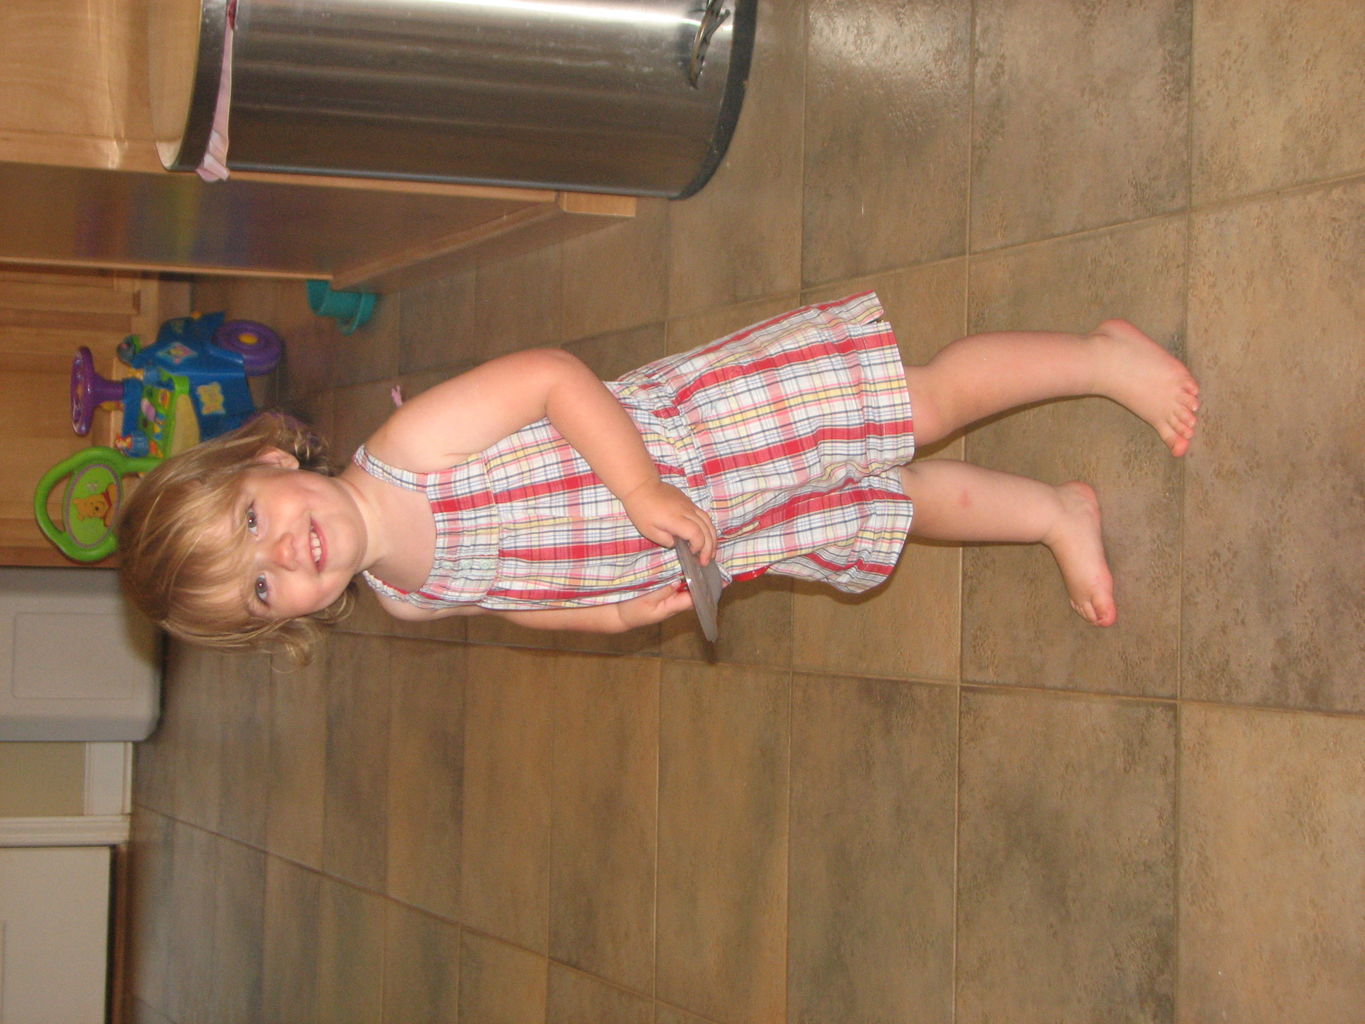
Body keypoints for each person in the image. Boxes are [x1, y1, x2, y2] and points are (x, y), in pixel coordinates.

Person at [116, 293, 1199, 658]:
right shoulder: (402, 597)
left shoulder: (407, 455)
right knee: (890, 508)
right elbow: (517, 605)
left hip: (700, 441)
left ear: (269, 459)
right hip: (702, 533)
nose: (286, 555)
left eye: (256, 519)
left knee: (917, 405)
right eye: (262, 586)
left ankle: (1101, 357)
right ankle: (1055, 513)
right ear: (281, 621)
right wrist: (624, 616)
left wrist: (638, 489)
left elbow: (548, 379)